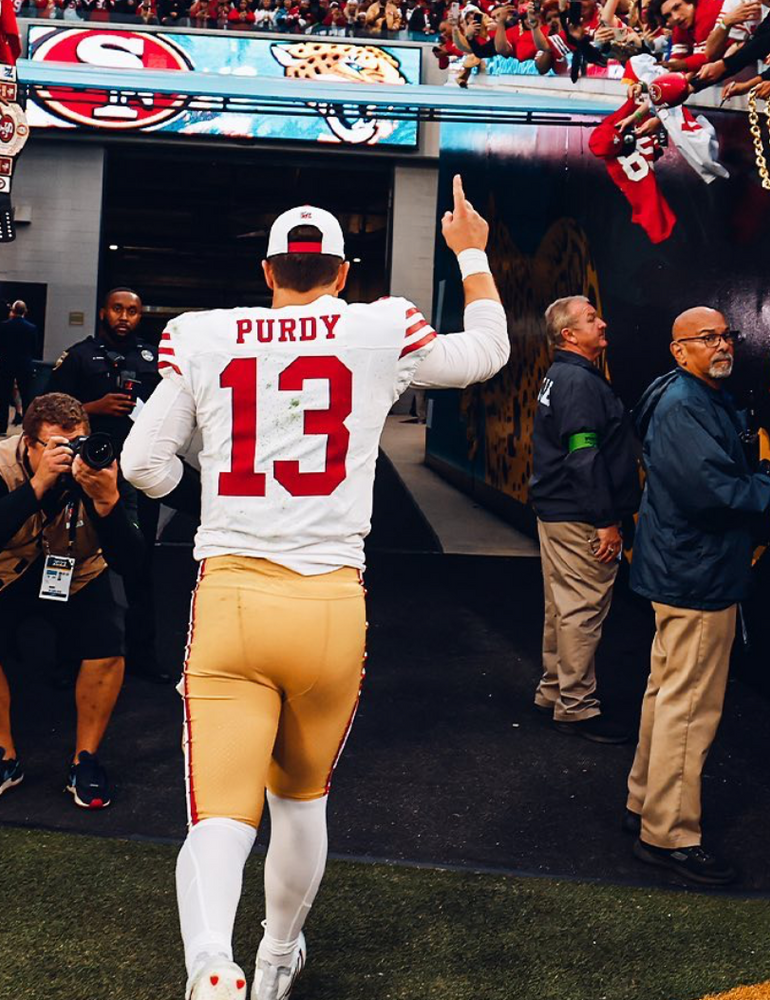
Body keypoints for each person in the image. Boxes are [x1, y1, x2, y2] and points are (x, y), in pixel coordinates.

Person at [121, 177, 509, 1000]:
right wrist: (470, 249)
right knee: (300, 801)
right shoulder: (379, 325)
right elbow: (488, 354)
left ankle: (210, 966)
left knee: (220, 816)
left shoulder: (205, 334)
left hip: (231, 594)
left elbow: (142, 467)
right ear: (340, 270)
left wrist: (218, 488)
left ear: (268, 271)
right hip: (332, 601)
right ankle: (274, 960)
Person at [625, 307, 770, 886]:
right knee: (688, 710)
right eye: (706, 337)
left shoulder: (691, 395)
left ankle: (645, 801)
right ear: (679, 350)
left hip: (685, 571)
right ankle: (670, 836)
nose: (722, 344)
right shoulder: (686, 404)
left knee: (667, 695)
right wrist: (766, 473)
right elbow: (719, 495)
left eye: (726, 335)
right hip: (697, 577)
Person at [0, 393, 146, 809]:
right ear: (29, 444)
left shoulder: (104, 467)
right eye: (57, 447)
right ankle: (1, 756)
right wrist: (37, 486)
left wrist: (107, 502)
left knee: (106, 646)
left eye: (76, 443)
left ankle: (86, 759)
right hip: (1, 569)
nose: (70, 456)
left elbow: (133, 563)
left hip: (74, 567)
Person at [47, 288, 199, 682]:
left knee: (139, 566)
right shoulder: (80, 356)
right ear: (103, 312)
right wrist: (92, 408)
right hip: (80, 476)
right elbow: (45, 408)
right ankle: (66, 659)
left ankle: (142, 656)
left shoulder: (152, 359)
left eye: (132, 311)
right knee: (71, 563)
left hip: (133, 478)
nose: (124, 317)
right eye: (117, 309)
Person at [528, 296, 640, 744]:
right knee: (582, 609)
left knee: (563, 606)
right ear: (569, 335)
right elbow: (583, 453)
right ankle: (576, 706)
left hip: (557, 510)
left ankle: (553, 690)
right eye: (591, 318)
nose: (603, 322)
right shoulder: (578, 382)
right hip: (578, 514)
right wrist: (604, 520)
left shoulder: (562, 376)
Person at [0, 300, 38, 435]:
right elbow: (34, 347)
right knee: (26, 396)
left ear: (13, 311)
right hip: (24, 364)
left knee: (4, 395)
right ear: (25, 312)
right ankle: (28, 428)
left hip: (7, 363)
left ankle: (2, 426)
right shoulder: (31, 328)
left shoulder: (3, 326)